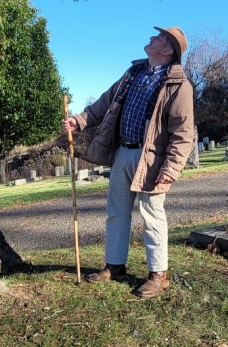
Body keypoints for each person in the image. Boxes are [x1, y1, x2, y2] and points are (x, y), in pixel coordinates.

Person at [62, 26, 194, 298]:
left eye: (158, 38)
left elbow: (183, 133)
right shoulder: (133, 73)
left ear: (168, 50)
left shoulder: (178, 86)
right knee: (116, 211)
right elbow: (104, 103)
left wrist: (170, 169)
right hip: (123, 152)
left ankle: (158, 275)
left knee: (152, 215)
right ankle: (114, 265)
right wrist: (79, 120)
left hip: (153, 160)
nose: (151, 38)